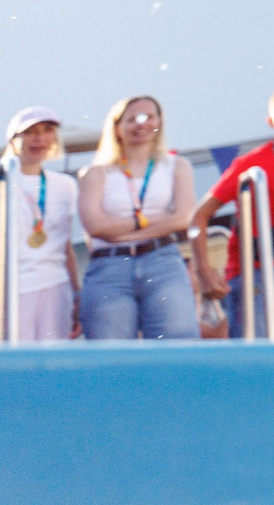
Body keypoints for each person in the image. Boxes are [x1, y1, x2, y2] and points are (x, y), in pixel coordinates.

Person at [191, 83, 274, 340]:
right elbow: (199, 215)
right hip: (252, 271)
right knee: (255, 351)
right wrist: (204, 272)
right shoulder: (251, 163)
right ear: (270, 121)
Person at [0, 108, 81, 342]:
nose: (39, 138)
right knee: (5, 372)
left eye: (47, 131)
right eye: (29, 132)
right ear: (12, 139)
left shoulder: (65, 186)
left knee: (49, 371)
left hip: (54, 290)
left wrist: (77, 294)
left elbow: (65, 246)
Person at [77, 95, 201, 341]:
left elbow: (184, 218)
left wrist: (121, 233)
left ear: (159, 122)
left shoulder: (177, 166)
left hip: (162, 262)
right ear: (117, 128)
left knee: (177, 345)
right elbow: (95, 226)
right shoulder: (95, 173)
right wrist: (151, 220)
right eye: (131, 119)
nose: (141, 124)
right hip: (109, 269)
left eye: (148, 117)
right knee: (111, 355)